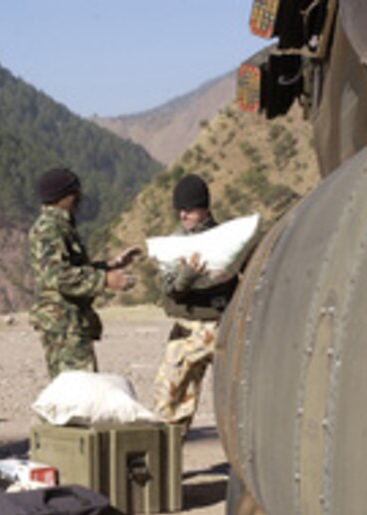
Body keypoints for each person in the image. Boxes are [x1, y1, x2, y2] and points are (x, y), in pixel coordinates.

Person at [26, 167, 140, 379]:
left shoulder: (59, 225)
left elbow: (72, 268)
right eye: (75, 193)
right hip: (64, 325)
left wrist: (111, 264)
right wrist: (105, 280)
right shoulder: (50, 228)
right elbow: (59, 276)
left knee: (68, 391)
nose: (79, 198)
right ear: (65, 196)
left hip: (68, 322)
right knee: (77, 391)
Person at [152, 174, 239, 431]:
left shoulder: (226, 240)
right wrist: (186, 277)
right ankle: (166, 462)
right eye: (180, 210)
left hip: (223, 325)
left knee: (234, 400)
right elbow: (170, 289)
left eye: (189, 210)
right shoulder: (175, 244)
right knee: (170, 400)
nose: (183, 215)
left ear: (204, 208)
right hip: (188, 329)